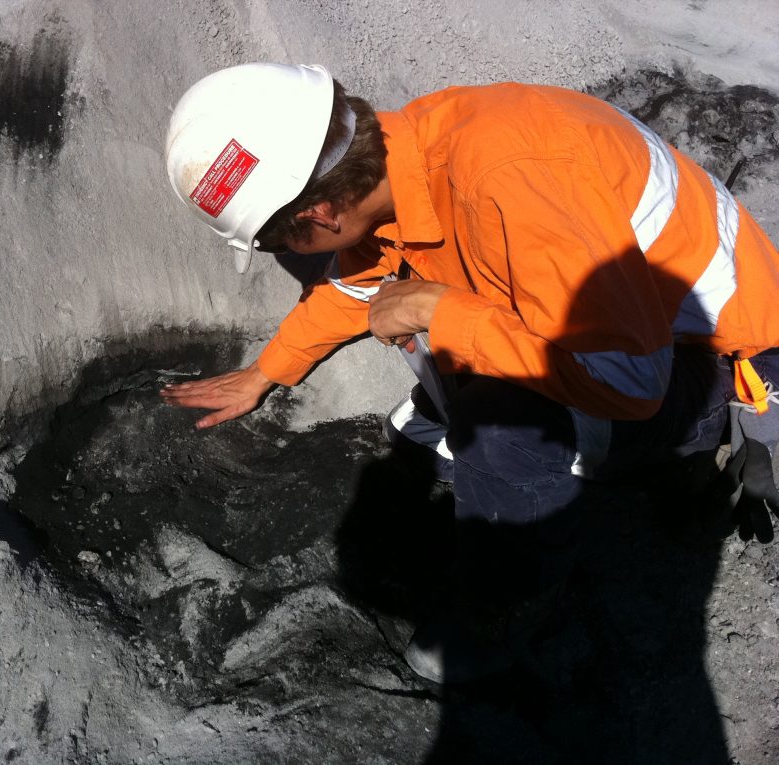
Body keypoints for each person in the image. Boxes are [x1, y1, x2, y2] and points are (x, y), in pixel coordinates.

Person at [161, 63, 779, 683]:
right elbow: (357, 285)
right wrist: (267, 372)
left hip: (707, 355)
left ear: (322, 213)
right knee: (423, 434)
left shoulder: (507, 179)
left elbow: (626, 381)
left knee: (496, 430)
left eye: (273, 243)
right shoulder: (408, 157)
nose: (281, 256)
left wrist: (443, 311)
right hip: (626, 330)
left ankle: (511, 600)